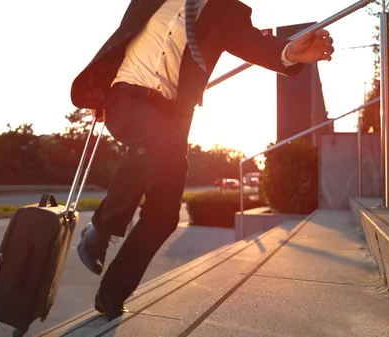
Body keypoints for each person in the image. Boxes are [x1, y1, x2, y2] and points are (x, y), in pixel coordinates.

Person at [72, 0, 334, 321]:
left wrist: (290, 53)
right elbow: (124, 35)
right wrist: (99, 91)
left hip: (171, 118)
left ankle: (111, 293)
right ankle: (101, 228)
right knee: (157, 143)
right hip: (126, 96)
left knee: (165, 213)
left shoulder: (227, 12)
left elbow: (255, 43)